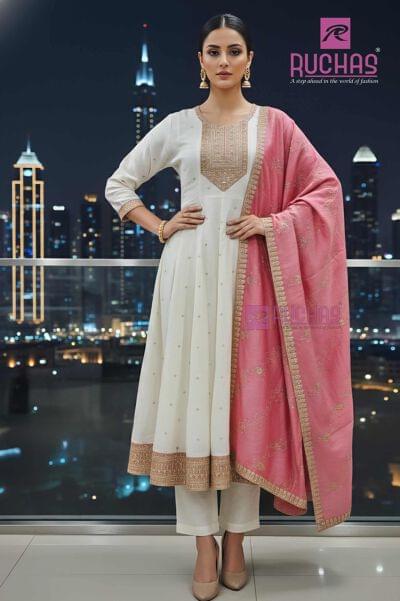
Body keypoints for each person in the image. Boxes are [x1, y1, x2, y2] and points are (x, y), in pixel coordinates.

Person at [105, 13, 354, 601]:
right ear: (200, 61)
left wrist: (272, 223)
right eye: (213, 51)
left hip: (256, 280)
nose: (223, 60)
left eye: (234, 50)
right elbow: (119, 184)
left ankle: (237, 539)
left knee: (248, 406)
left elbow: (325, 191)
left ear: (249, 60)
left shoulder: (276, 125)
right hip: (189, 279)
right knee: (194, 406)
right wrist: (161, 225)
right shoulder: (176, 125)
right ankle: (203, 544)